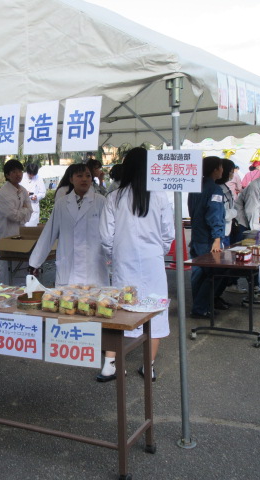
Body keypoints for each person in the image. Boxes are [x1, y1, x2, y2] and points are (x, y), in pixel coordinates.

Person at [98, 147, 174, 382]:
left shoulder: (114, 197)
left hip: (124, 261)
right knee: (155, 310)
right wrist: (154, 253)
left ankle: (110, 364)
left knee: (120, 309)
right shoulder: (161, 195)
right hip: (152, 263)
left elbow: (105, 237)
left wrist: (116, 255)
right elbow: (168, 235)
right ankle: (147, 365)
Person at [28, 164, 109, 286]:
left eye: (88, 176)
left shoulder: (101, 201)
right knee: (67, 302)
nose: (84, 179)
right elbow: (48, 234)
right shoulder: (62, 204)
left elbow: (109, 233)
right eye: (80, 176)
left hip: (94, 266)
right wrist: (34, 262)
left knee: (95, 302)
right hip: (69, 266)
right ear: (71, 179)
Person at [188, 156, 227, 319]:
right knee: (211, 274)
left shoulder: (194, 187)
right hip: (209, 239)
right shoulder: (215, 189)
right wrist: (217, 238)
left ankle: (199, 306)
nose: (222, 170)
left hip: (197, 235)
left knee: (198, 273)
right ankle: (201, 307)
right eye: (220, 167)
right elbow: (214, 215)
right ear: (215, 169)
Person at [0, 160, 33, 284]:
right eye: (14, 171)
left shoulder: (22, 190)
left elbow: (30, 211)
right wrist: (24, 210)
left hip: (20, 238)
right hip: (6, 238)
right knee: (5, 275)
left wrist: (23, 211)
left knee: (19, 273)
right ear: (7, 175)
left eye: (20, 171)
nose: (18, 174)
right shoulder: (3, 194)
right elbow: (13, 215)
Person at [216, 159, 237, 247]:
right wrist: (235, 212)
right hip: (221, 233)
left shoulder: (224, 186)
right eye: (231, 172)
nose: (232, 175)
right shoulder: (216, 189)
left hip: (227, 230)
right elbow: (221, 214)